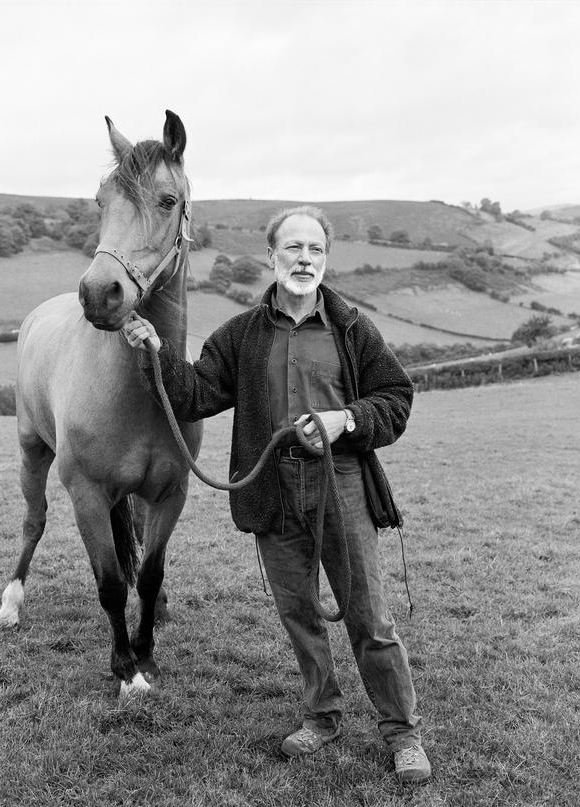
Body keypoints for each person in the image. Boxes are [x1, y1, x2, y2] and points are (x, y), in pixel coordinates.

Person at [123, 205, 430, 784]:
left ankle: (402, 733)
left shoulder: (354, 330)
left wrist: (348, 420)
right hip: (271, 486)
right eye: (293, 248)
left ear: (326, 259)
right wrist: (156, 350)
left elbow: (396, 399)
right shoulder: (240, 335)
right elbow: (192, 394)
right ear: (272, 257)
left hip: (341, 483)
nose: (304, 259)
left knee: (370, 618)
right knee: (299, 613)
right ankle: (322, 716)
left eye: (314, 249)